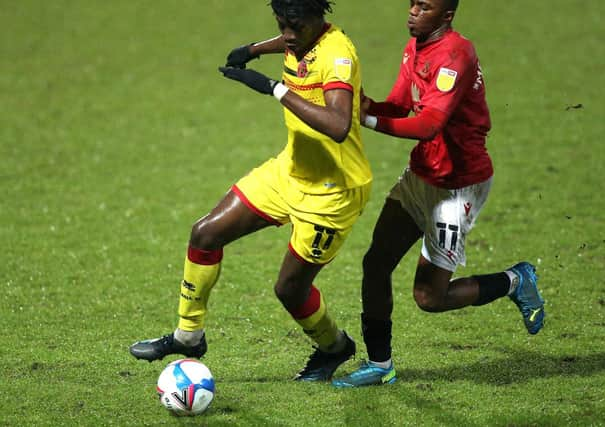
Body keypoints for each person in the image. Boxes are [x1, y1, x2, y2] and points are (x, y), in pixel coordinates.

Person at [130, 0, 372, 382]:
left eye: (295, 27)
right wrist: (254, 49)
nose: (288, 35)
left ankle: (335, 347)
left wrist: (274, 89)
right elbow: (290, 42)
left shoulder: (337, 55)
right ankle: (188, 337)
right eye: (281, 25)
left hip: (332, 193)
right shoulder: (299, 39)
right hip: (289, 172)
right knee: (205, 233)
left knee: (290, 290)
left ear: (317, 19)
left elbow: (339, 124)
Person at [332, 0, 545, 388]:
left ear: (446, 15)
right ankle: (380, 365)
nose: (413, 11)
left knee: (429, 298)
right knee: (375, 263)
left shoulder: (456, 54)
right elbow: (400, 104)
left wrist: (366, 120)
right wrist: (366, 106)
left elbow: (429, 124)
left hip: (457, 187)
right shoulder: (415, 46)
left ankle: (515, 281)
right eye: (412, 3)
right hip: (421, 174)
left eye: (424, 6)